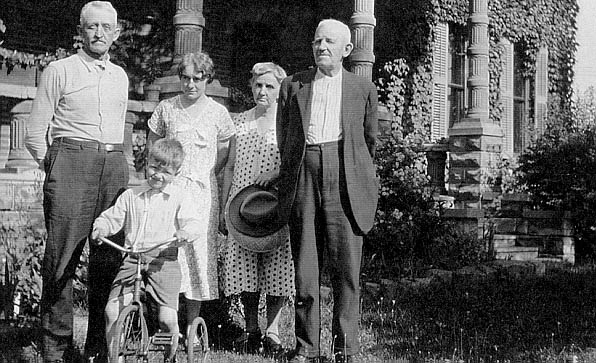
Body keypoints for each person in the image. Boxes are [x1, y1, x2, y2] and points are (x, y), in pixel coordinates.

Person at [25, 1, 129, 361]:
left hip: (113, 166)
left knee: (108, 259)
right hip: (71, 162)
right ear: (81, 31)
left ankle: (98, 348)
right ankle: (57, 348)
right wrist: (56, 168)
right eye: (92, 26)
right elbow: (34, 132)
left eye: (106, 27)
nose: (99, 33)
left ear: (116, 33)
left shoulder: (120, 77)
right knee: (62, 258)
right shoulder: (59, 70)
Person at [276, 19, 379, 363]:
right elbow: (284, 136)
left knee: (346, 270)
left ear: (346, 50)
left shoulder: (361, 88)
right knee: (305, 268)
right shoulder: (293, 85)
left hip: (344, 176)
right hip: (304, 174)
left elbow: (369, 141)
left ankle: (345, 351)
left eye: (330, 42)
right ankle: (305, 348)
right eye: (317, 40)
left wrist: (347, 167)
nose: (321, 46)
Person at [147, 52, 235, 339]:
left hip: (201, 193)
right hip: (170, 191)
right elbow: (154, 147)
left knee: (197, 253)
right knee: (169, 250)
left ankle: (192, 325)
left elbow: (223, 154)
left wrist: (203, 174)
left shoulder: (218, 113)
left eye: (198, 79)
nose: (191, 85)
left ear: (207, 79)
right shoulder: (166, 108)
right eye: (186, 78)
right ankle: (166, 319)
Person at [91, 138, 200, 363]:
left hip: (164, 259)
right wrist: (101, 227)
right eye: (153, 168)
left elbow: (192, 222)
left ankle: (171, 355)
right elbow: (114, 217)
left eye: (166, 172)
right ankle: (115, 357)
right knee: (112, 311)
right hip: (133, 258)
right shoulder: (131, 195)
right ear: (146, 163)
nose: (158, 175)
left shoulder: (179, 196)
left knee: (167, 317)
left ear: (176, 173)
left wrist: (185, 232)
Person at [220, 62, 295, 357]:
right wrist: (226, 206)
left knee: (277, 268)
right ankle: (251, 328)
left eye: (269, 87)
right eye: (258, 86)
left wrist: (275, 172)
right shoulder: (239, 121)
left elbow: (294, 162)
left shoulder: (289, 123)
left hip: (275, 204)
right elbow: (228, 167)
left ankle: (273, 331)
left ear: (280, 90)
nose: (262, 92)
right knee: (246, 269)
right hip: (243, 207)